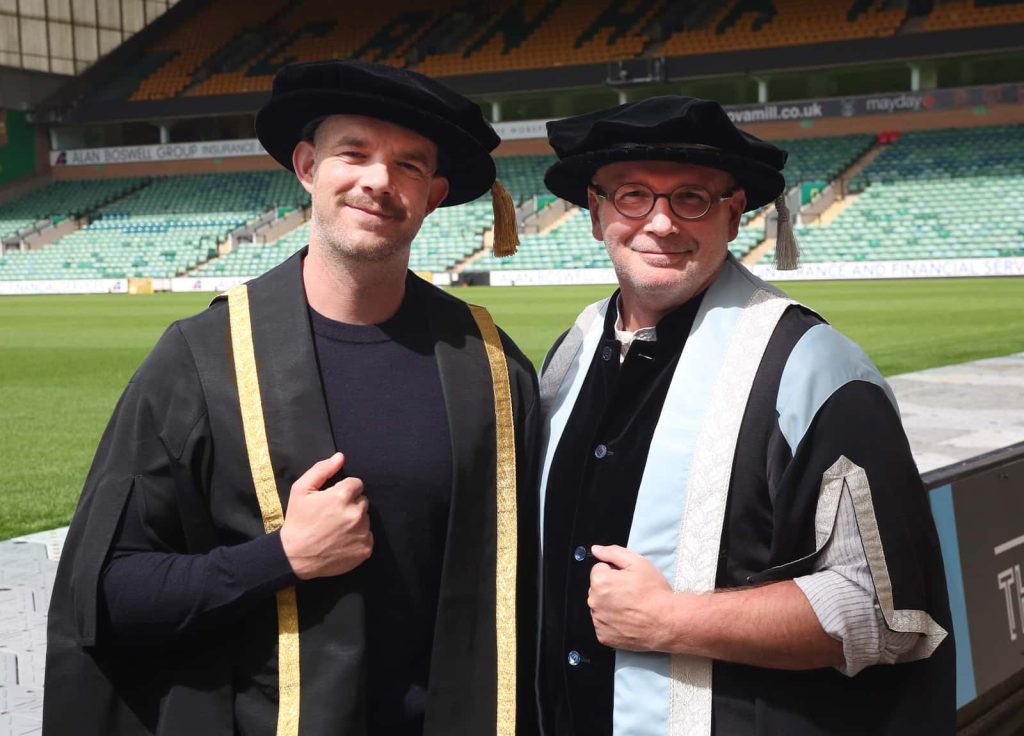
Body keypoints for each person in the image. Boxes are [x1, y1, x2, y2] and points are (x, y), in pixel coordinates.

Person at [44, 59, 539, 736]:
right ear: (307, 165)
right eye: (353, 153)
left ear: (434, 194)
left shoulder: (489, 366)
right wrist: (279, 558)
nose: (378, 181)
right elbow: (108, 594)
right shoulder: (201, 359)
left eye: (409, 166)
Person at [536, 96, 954, 735]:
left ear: (734, 215)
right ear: (595, 214)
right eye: (632, 196)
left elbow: (886, 612)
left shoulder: (812, 367)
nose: (662, 224)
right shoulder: (575, 349)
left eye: (692, 199)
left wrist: (670, 621)